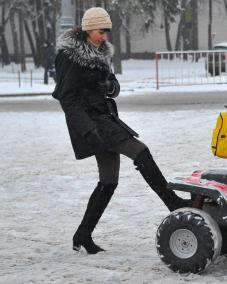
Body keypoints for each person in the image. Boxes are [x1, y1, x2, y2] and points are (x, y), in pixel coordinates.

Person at [52, 7, 190, 254]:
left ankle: (83, 234)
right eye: (99, 31)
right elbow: (67, 98)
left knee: (108, 181)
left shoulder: (100, 52)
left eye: (106, 31)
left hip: (105, 118)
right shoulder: (70, 55)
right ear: (87, 29)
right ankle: (173, 202)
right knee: (141, 151)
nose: (104, 36)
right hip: (92, 123)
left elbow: (112, 87)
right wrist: (86, 130)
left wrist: (110, 85)